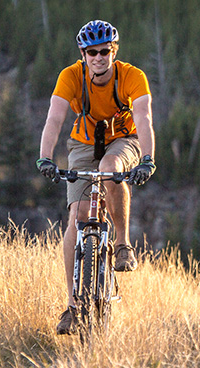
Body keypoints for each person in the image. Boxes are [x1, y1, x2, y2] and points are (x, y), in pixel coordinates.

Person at [36, 19, 156, 335]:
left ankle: (121, 244)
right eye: (93, 52)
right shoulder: (71, 77)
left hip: (124, 139)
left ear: (113, 52)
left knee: (110, 169)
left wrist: (147, 159)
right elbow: (54, 118)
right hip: (84, 142)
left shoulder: (132, 77)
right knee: (77, 215)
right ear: (83, 54)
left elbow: (143, 117)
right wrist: (45, 157)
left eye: (105, 51)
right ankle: (73, 308)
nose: (99, 58)